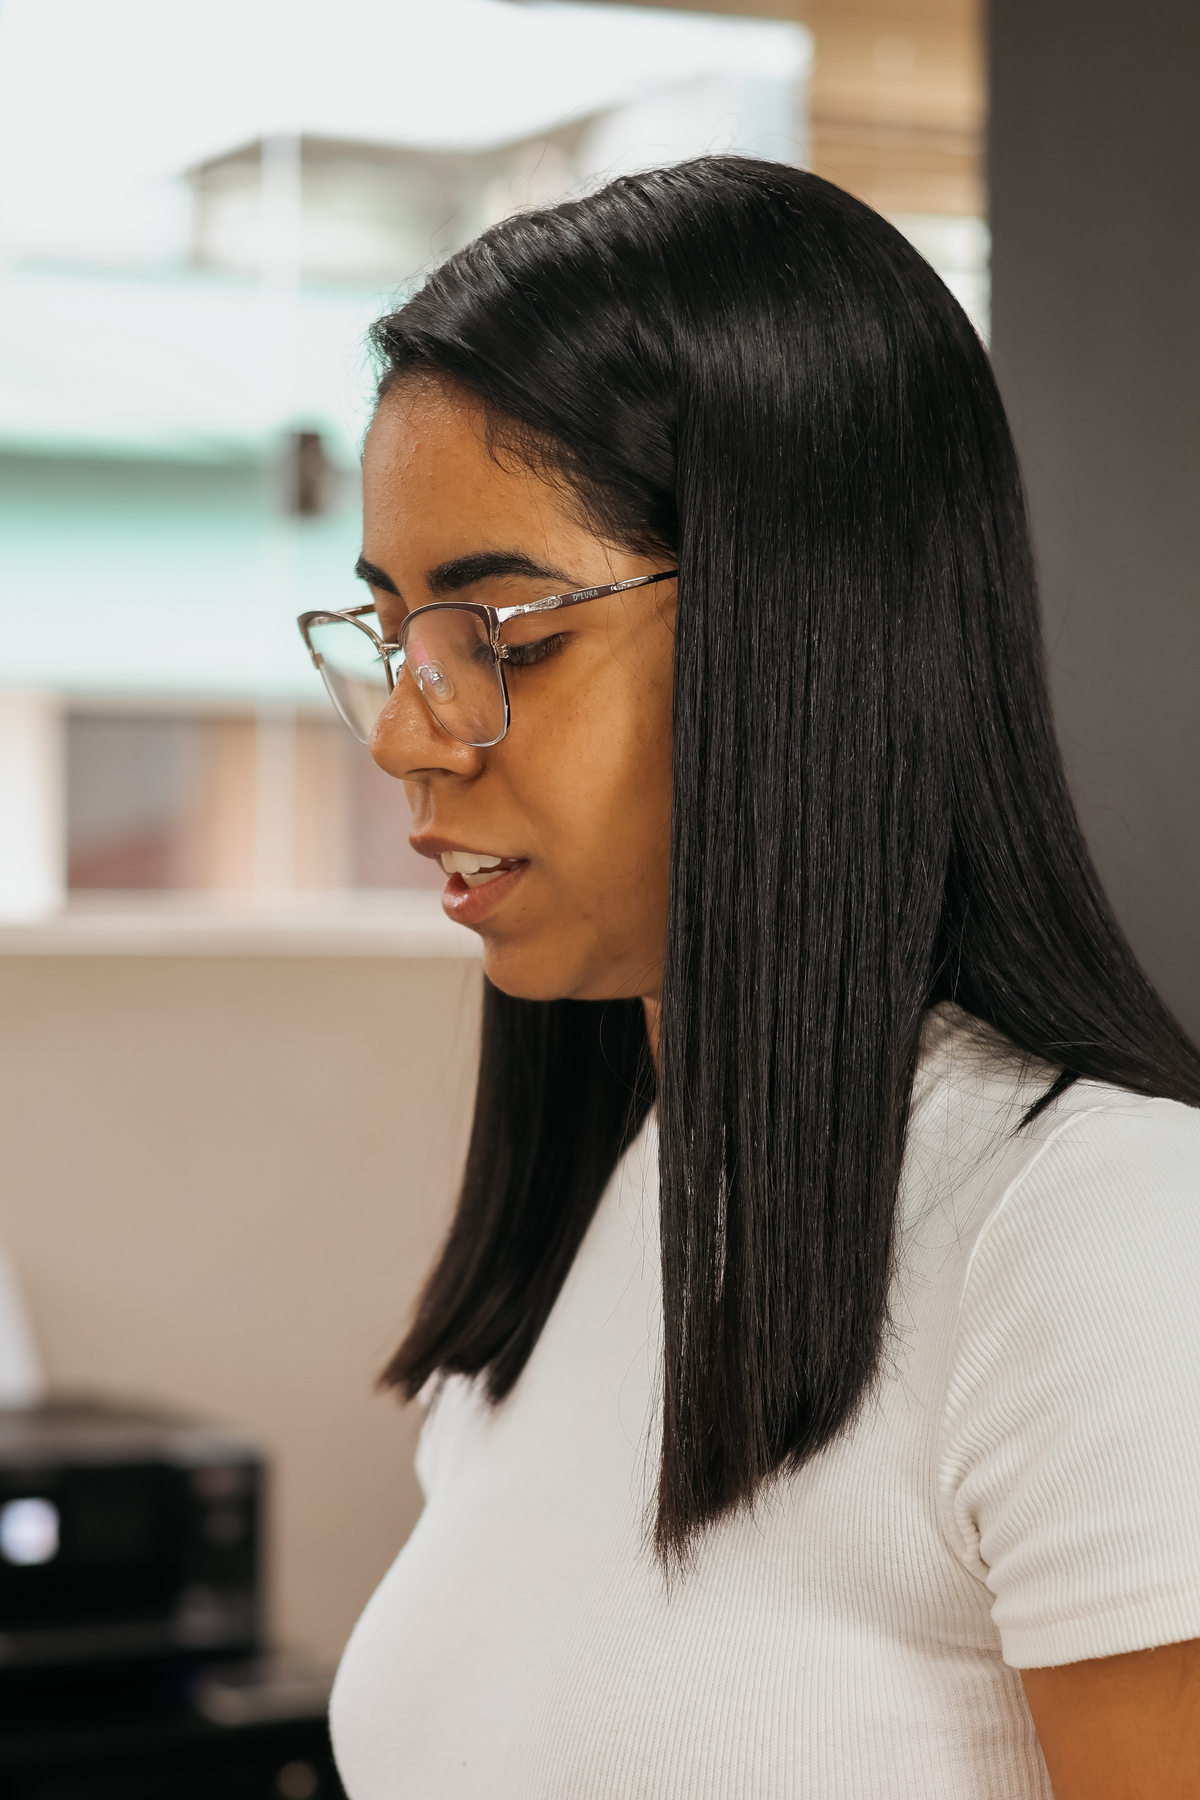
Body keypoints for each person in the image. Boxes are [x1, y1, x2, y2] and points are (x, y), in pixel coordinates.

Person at [299, 159, 1200, 1798]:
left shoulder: (1100, 1235)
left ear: (803, 628)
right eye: (392, 637)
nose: (405, 736)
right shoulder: (603, 1202)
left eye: (502, 636)